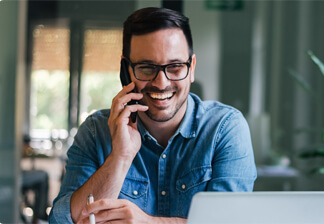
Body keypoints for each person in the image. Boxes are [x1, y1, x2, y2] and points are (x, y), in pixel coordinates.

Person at [49, 7, 257, 224]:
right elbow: (61, 221)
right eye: (147, 68)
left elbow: (231, 221)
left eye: (175, 67)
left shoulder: (225, 128)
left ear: (192, 67)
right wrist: (121, 157)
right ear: (126, 70)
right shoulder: (95, 131)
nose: (161, 83)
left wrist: (147, 223)